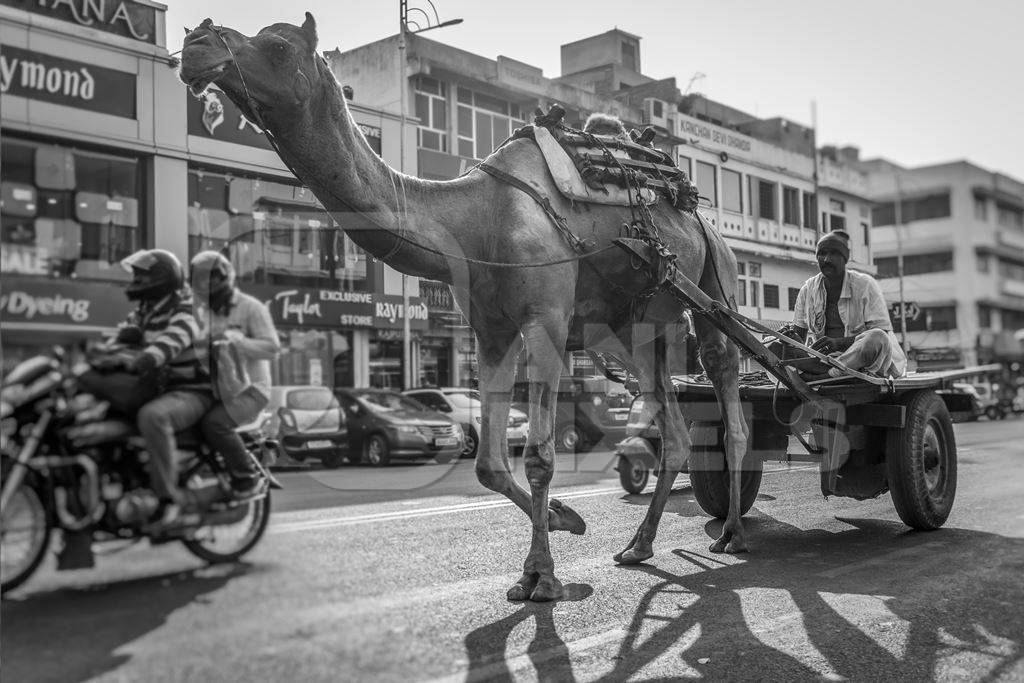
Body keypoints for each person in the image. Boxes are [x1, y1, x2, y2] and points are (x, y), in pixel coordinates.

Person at [119, 249, 211, 528]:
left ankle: (167, 500)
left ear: (159, 279)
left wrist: (147, 357)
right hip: (163, 387)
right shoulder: (146, 309)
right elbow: (123, 333)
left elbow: (175, 338)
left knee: (152, 416)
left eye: (140, 276)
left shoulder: (187, 306)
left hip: (194, 390)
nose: (135, 281)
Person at [190, 251, 280, 498]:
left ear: (225, 277)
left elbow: (272, 349)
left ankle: (246, 478)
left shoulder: (252, 308)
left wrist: (237, 342)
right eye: (200, 281)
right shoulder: (203, 313)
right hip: (218, 388)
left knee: (214, 423)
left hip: (252, 391)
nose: (205, 285)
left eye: (211, 279)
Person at [780, 230, 907, 379]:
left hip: (868, 364)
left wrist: (838, 343)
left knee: (877, 337)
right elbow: (799, 339)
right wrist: (790, 337)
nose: (827, 259)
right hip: (825, 361)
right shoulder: (807, 290)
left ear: (845, 258)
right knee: (773, 344)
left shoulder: (865, 285)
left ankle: (827, 375)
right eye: (822, 253)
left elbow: (881, 337)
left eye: (834, 253)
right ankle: (825, 372)